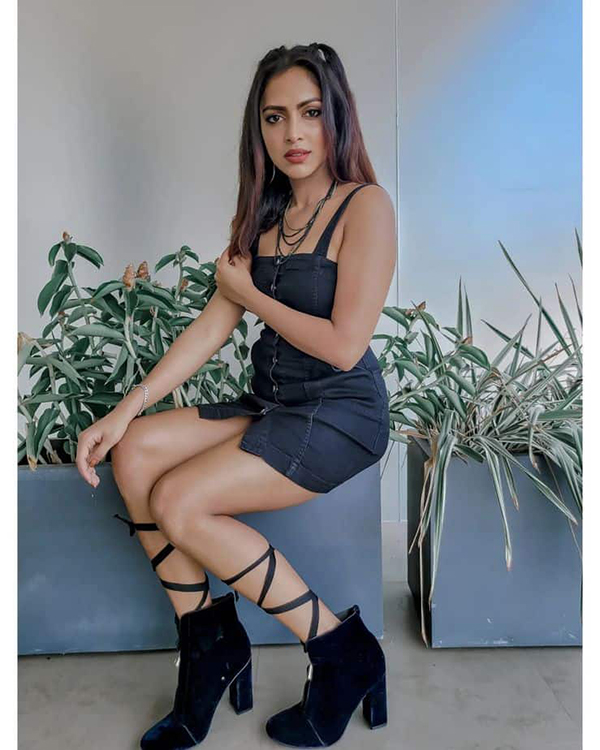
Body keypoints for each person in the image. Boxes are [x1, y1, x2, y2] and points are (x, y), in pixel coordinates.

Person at [76, 42, 396, 749]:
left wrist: (249, 292)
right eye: (275, 118)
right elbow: (212, 326)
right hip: (276, 402)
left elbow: (345, 345)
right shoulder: (265, 215)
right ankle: (209, 646)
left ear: (335, 116)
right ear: (260, 129)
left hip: (340, 412)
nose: (293, 134)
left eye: (309, 113)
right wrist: (123, 411)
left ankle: (340, 648)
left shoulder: (365, 206)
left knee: (178, 502)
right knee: (135, 452)